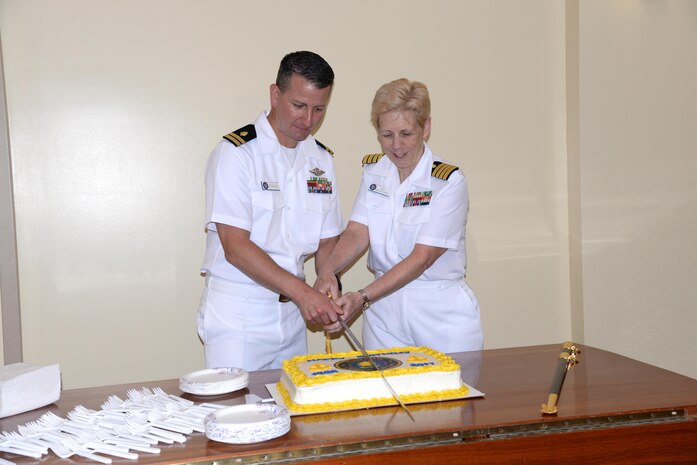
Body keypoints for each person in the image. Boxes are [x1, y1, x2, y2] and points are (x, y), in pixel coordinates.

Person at [198, 51, 343, 370]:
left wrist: (327, 277)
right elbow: (235, 247)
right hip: (240, 315)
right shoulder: (236, 154)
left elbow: (327, 240)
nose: (308, 120)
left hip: (292, 315)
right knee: (236, 416)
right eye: (299, 106)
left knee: (292, 415)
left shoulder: (322, 160)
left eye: (319, 109)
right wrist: (306, 295)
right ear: (275, 95)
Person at [315, 78, 482, 353]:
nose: (396, 145)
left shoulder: (447, 182)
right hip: (383, 311)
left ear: (425, 127)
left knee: (449, 395)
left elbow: (422, 258)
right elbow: (357, 232)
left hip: (438, 311)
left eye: (406, 133)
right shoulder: (374, 172)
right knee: (384, 395)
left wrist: (362, 297)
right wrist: (327, 271)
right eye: (387, 135)